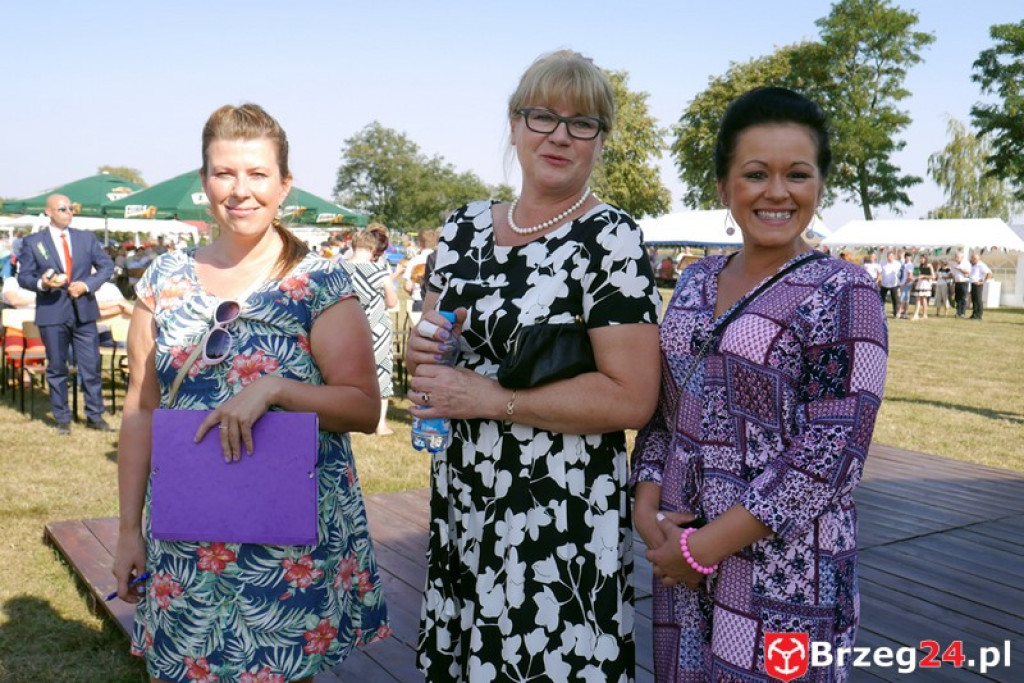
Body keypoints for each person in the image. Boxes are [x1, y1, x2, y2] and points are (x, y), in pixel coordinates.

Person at [111, 103, 390, 683]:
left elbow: (363, 408)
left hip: (285, 550)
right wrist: (128, 531)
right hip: (189, 541)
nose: (241, 191)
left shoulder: (317, 282)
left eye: (258, 174)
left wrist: (277, 388)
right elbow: (140, 413)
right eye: (224, 173)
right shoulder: (163, 280)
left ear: (285, 184)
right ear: (204, 181)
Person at [405, 50, 661, 681]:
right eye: (542, 115)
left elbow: (631, 398)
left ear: (600, 141)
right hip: (466, 489)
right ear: (515, 124)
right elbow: (440, 344)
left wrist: (492, 400)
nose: (559, 135)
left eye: (583, 123)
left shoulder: (610, 239)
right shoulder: (462, 229)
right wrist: (422, 352)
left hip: (559, 506)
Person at [631, 86, 888, 681]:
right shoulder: (694, 283)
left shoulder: (844, 293)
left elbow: (831, 453)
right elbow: (667, 415)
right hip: (681, 555)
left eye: (798, 174)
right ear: (724, 187)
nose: (777, 192)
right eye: (755, 174)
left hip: (786, 572)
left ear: (820, 185)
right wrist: (648, 509)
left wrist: (706, 549)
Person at [16, 194, 115, 434]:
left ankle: (95, 416)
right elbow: (24, 276)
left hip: (84, 310)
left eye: (72, 208)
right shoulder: (33, 242)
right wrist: (43, 284)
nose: (68, 212)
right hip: (52, 312)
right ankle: (62, 418)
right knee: (57, 367)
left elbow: (107, 266)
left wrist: (87, 285)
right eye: (62, 209)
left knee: (91, 366)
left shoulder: (85, 238)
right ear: (49, 212)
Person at [342, 228, 399, 436]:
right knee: (381, 373)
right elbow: (392, 301)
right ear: (372, 247)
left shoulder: (337, 270)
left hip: (347, 328)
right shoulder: (381, 272)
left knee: (347, 375)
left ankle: (351, 422)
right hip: (377, 329)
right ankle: (380, 424)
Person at [402, 228, 438, 312]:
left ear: (419, 243)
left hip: (419, 300)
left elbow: (408, 286)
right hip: (436, 301)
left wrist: (412, 292)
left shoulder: (414, 261)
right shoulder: (439, 260)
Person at [969, 251, 993, 320]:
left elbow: (989, 273)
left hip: (978, 284)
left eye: (974, 259)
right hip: (973, 283)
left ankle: (979, 315)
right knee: (974, 299)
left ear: (978, 259)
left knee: (978, 299)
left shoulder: (981, 265)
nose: (973, 260)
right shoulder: (973, 265)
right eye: (972, 258)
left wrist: (983, 282)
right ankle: (974, 313)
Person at [878, 250, 902, 318]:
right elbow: (879, 273)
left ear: (894, 257)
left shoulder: (898, 264)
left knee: (895, 299)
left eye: (891, 256)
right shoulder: (882, 263)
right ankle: (881, 312)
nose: (890, 257)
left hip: (894, 284)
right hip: (884, 284)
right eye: (888, 256)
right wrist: (879, 282)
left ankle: (896, 313)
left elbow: (900, 274)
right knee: (882, 299)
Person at [911, 254, 935, 320]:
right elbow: (919, 274)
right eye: (920, 258)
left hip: (926, 283)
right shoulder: (920, 266)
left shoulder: (929, 265)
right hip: (920, 283)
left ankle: (924, 314)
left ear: (925, 259)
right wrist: (916, 278)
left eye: (922, 258)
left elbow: (933, 276)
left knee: (924, 299)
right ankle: (916, 314)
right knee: (918, 298)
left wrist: (924, 276)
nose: (921, 260)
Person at [950, 250, 971, 318]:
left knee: (963, 298)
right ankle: (958, 312)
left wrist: (960, 269)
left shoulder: (966, 263)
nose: (956, 258)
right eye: (956, 257)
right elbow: (953, 273)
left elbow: (968, 273)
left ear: (961, 257)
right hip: (957, 282)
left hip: (964, 282)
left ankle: (962, 312)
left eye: (958, 257)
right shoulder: (954, 264)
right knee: (957, 298)